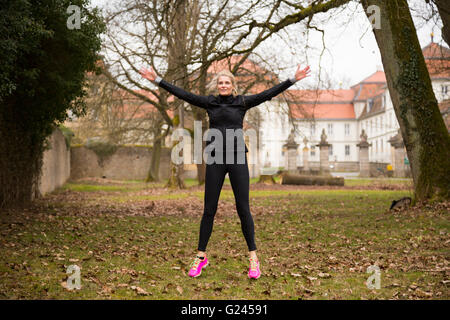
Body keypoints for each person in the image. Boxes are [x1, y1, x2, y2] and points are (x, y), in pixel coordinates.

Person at [140, 64, 311, 279]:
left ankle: (253, 259)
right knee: (209, 209)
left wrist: (292, 80)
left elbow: (268, 94)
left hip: (238, 158)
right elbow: (183, 94)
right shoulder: (209, 103)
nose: (223, 85)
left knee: (243, 209)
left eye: (227, 83)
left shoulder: (242, 102)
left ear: (233, 86)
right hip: (215, 159)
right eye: (220, 83)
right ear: (217, 85)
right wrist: (157, 80)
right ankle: (201, 256)